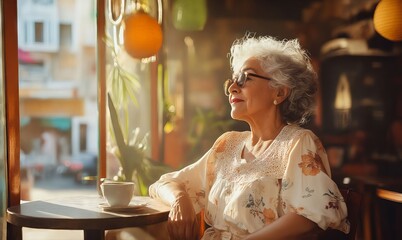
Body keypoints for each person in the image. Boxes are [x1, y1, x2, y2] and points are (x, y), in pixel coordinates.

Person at [149, 34, 350, 240]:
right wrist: (180, 200)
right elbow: (164, 184)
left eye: (246, 78)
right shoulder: (227, 144)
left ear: (279, 93)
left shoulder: (297, 142)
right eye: (233, 80)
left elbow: (311, 214)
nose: (232, 88)